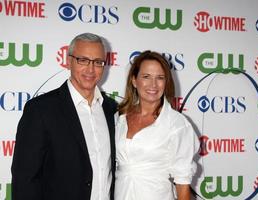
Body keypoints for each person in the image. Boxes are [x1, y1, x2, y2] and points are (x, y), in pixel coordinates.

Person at [11, 33, 117, 200]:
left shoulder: (112, 109)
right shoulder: (40, 110)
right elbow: (25, 179)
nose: (91, 69)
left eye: (98, 62)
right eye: (83, 60)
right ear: (69, 62)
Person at [115, 50, 199, 200]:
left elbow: (182, 184)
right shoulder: (120, 118)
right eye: (146, 77)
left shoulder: (177, 124)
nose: (153, 84)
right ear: (134, 80)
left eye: (160, 78)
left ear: (166, 82)